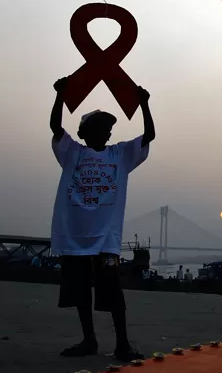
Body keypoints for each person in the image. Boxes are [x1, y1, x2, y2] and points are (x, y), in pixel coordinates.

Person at [49, 76, 154, 362]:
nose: (106, 132)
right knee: (80, 293)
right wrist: (60, 96)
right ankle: (89, 340)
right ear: (83, 133)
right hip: (74, 237)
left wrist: (145, 105)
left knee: (113, 294)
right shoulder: (73, 153)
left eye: (108, 128)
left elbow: (148, 136)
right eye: (99, 127)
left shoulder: (119, 154)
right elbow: (56, 128)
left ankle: (123, 344)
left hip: (106, 240)